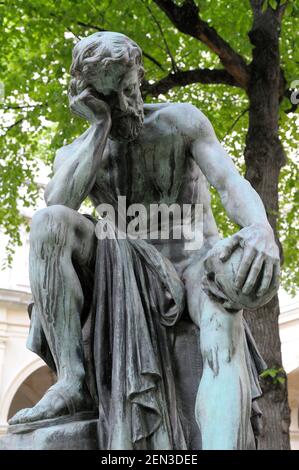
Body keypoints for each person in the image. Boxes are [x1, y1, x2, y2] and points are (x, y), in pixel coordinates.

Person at [9, 32, 279, 450]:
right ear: (87, 96)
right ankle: (72, 382)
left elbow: (229, 183)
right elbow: (57, 207)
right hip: (123, 272)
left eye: (129, 88)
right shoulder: (76, 154)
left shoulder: (181, 121)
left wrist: (260, 229)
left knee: (220, 325)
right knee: (50, 222)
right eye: (110, 97)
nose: (126, 104)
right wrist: (100, 127)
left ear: (139, 76)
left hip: (195, 263)